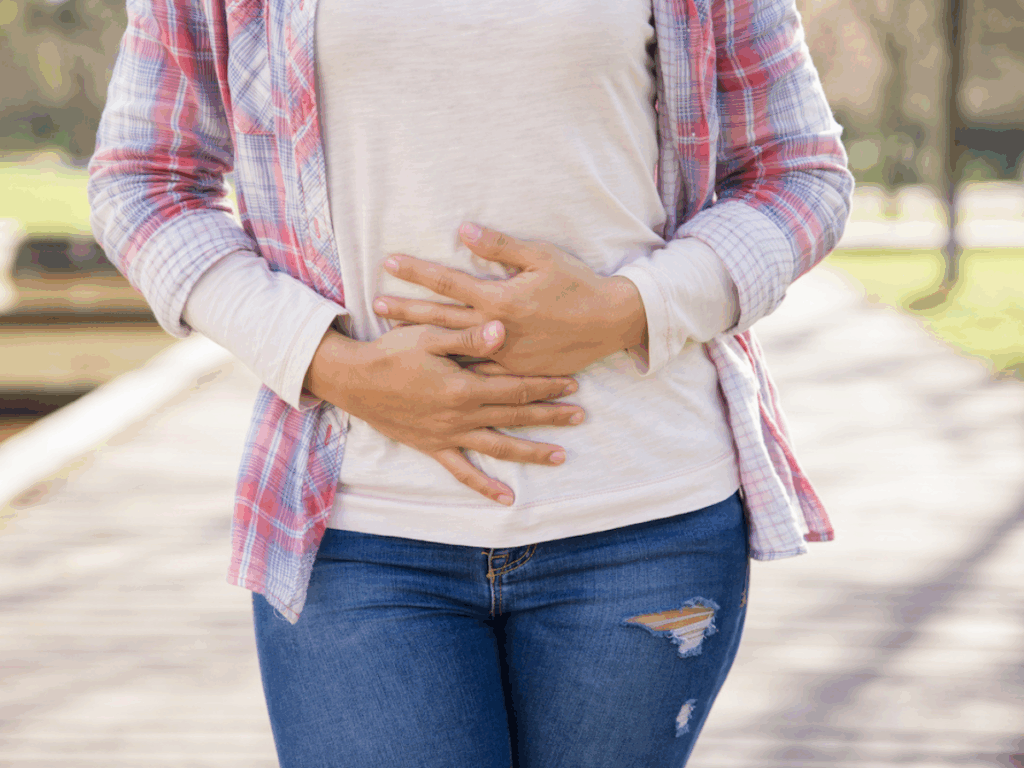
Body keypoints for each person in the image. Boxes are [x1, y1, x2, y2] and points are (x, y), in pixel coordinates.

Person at [89, 0, 853, 764]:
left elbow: (798, 174)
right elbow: (144, 185)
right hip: (356, 526)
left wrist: (629, 310)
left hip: (644, 524)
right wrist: (329, 364)